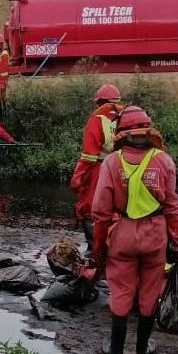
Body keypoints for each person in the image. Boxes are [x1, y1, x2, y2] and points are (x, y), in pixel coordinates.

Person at [92, 106, 178, 354]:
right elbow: (173, 208)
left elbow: (100, 211)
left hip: (123, 234)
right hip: (155, 235)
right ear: (148, 129)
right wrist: (177, 245)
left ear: (121, 132)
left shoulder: (112, 162)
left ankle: (115, 352)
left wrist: (99, 248)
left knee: (121, 291)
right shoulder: (164, 161)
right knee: (149, 292)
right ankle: (143, 351)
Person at [69, 84, 124, 250]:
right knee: (116, 208)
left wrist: (77, 178)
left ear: (99, 102)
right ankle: (114, 246)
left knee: (88, 207)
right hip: (121, 169)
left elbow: (88, 155)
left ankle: (94, 248)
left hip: (97, 169)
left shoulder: (96, 120)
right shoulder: (125, 118)